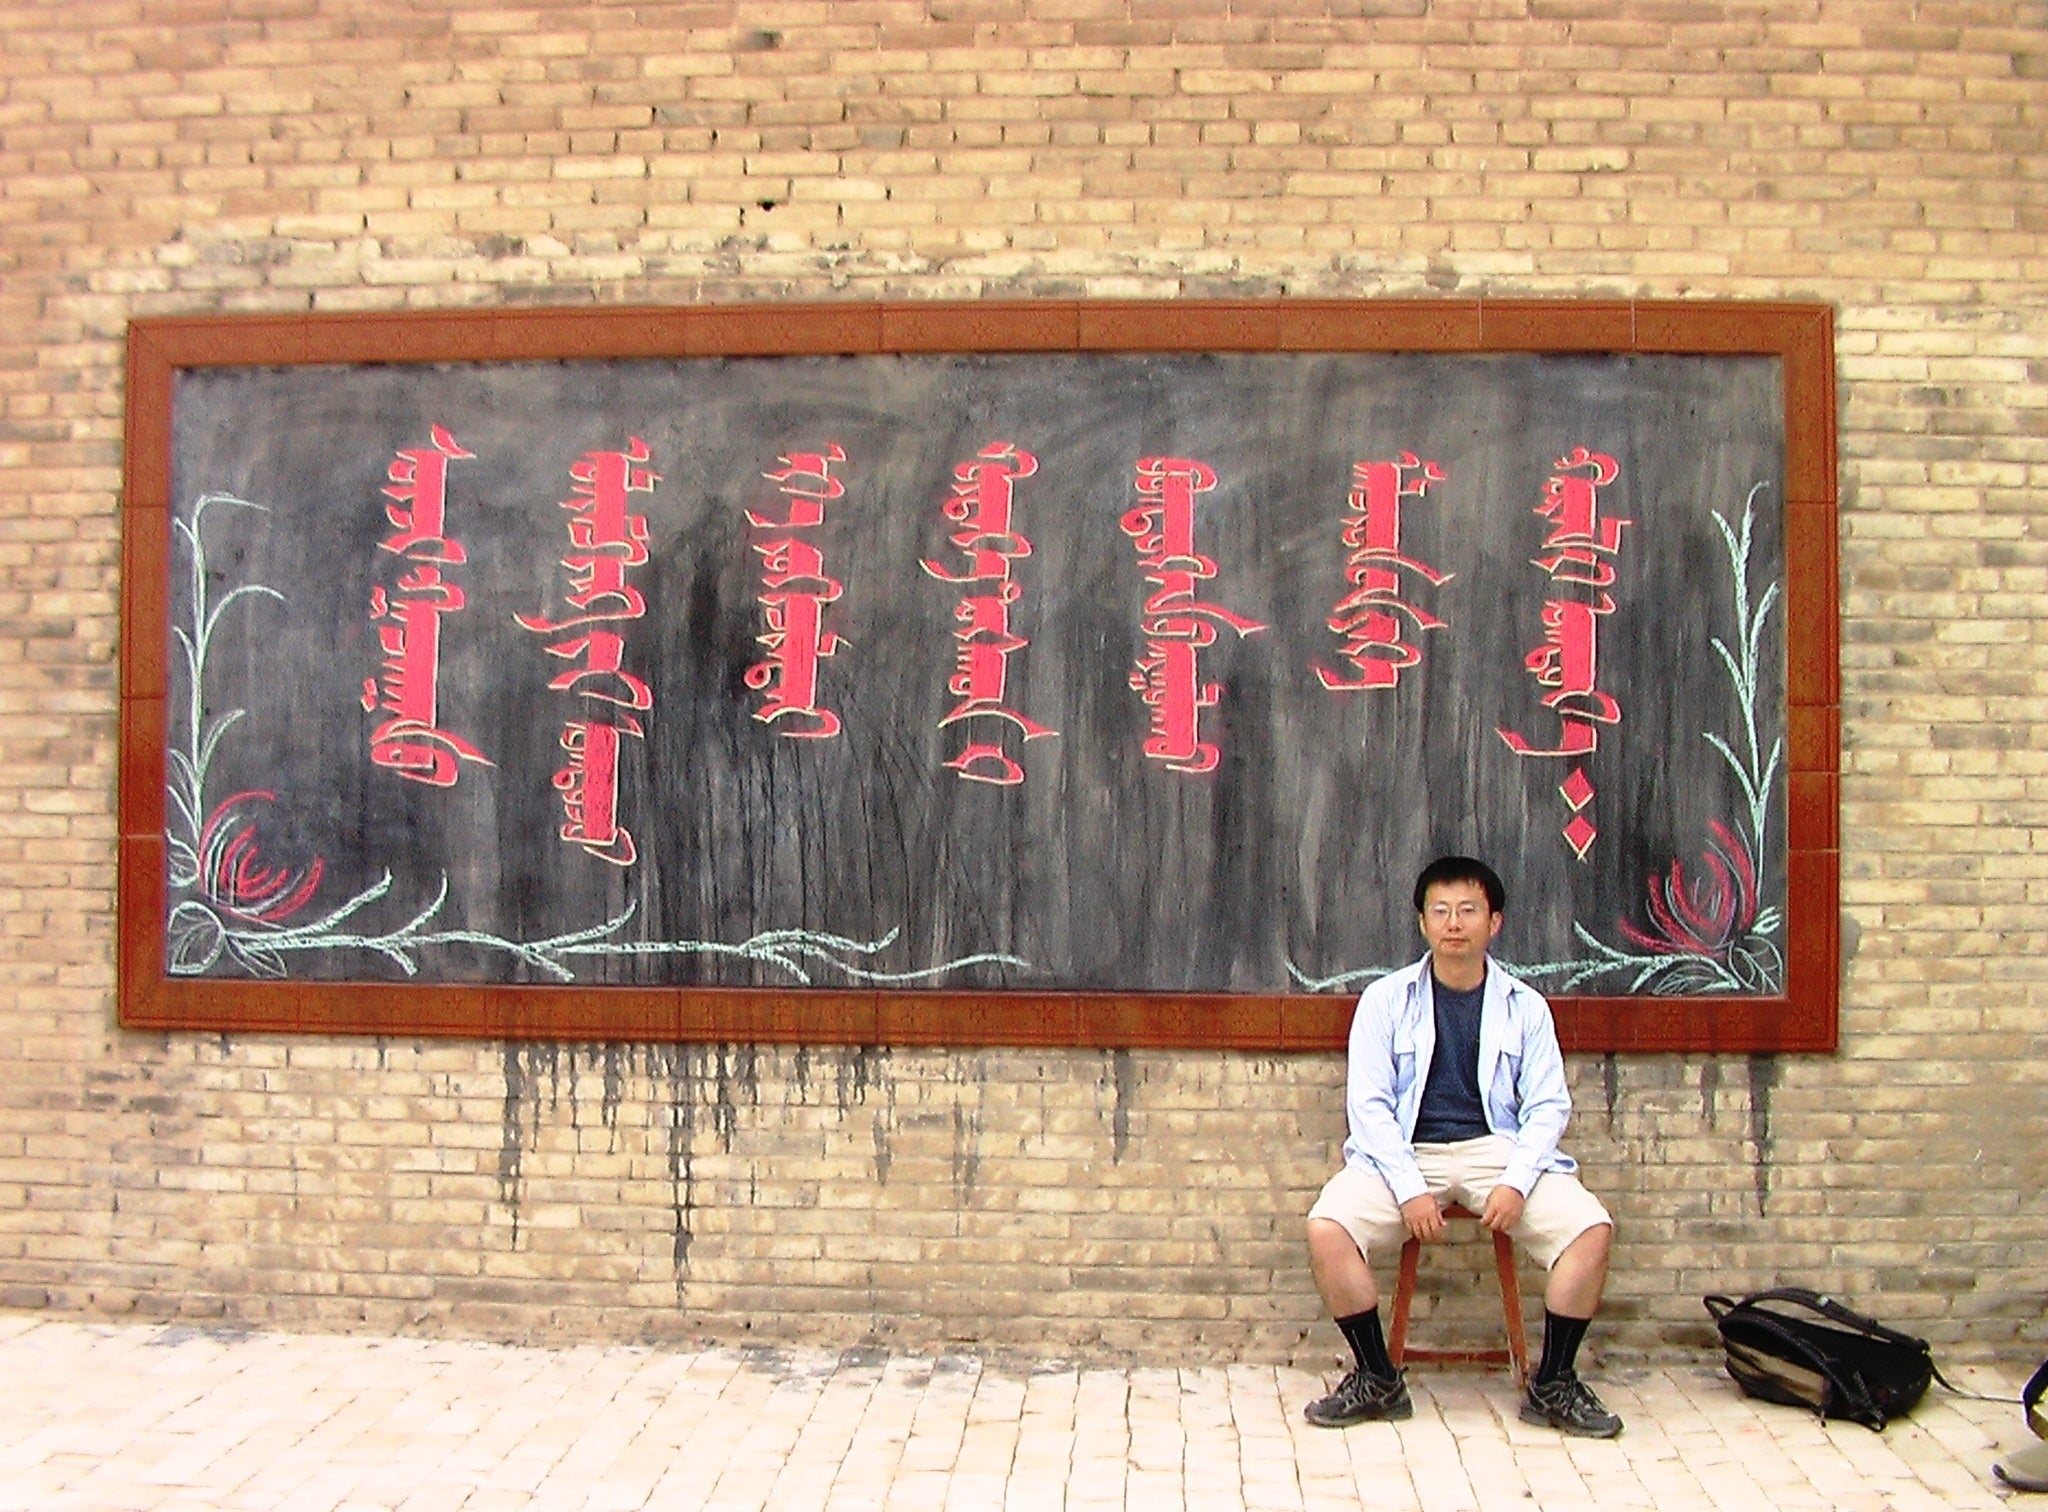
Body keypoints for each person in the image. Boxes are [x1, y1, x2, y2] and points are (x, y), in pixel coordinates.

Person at [1302, 855, 1623, 1438]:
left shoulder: (1525, 1007)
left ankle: (1553, 1383)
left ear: (1493, 922)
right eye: (1441, 910)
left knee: (1590, 1230)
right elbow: (1369, 1108)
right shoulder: (1385, 1001)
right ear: (1423, 922)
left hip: (1495, 1149)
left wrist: (1516, 1181)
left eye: (1468, 910)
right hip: (1404, 1152)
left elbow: (1548, 1106)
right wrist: (1408, 1189)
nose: (1454, 923)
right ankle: (1377, 1378)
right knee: (1328, 1228)